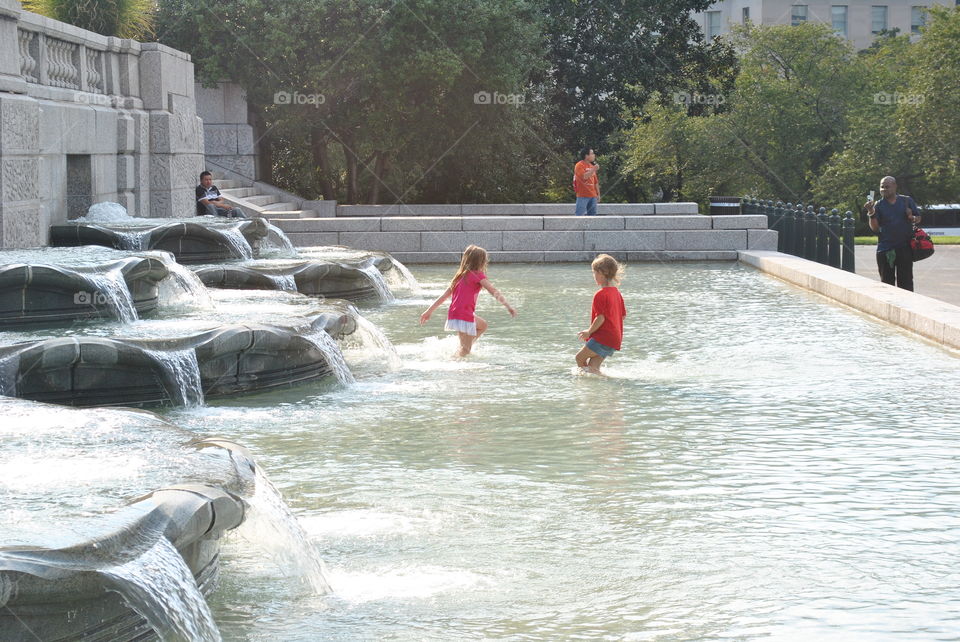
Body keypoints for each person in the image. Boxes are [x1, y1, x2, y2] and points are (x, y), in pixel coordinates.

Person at [419, 245, 517, 357]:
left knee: (483, 325)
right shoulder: (478, 275)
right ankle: (457, 358)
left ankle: (463, 347)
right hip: (464, 314)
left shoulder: (459, 276)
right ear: (481, 262)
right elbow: (493, 291)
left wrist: (429, 311)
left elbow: (444, 296)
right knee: (466, 351)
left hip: (455, 313)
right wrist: (508, 306)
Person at [865, 176, 920, 291]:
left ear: (895, 186)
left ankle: (907, 307)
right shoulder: (877, 205)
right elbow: (875, 228)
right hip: (885, 250)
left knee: (906, 284)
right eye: (882, 187)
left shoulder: (906, 201)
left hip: (905, 248)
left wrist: (911, 217)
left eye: (887, 187)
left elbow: (918, 218)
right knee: (887, 284)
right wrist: (871, 212)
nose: (884, 189)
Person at [576, 254, 626, 375]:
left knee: (579, 358)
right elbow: (623, 316)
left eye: (594, 272)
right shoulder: (617, 293)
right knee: (594, 367)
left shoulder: (600, 294)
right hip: (614, 339)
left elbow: (601, 318)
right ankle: (601, 388)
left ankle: (586, 385)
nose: (594, 276)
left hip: (603, 338)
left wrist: (589, 332)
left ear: (602, 273)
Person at [573, 147, 600, 216]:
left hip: (593, 196)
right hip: (582, 195)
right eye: (592, 153)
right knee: (579, 216)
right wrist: (594, 169)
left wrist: (598, 194)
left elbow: (595, 182)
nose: (594, 155)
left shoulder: (591, 166)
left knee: (592, 216)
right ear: (586, 156)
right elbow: (584, 177)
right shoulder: (579, 165)